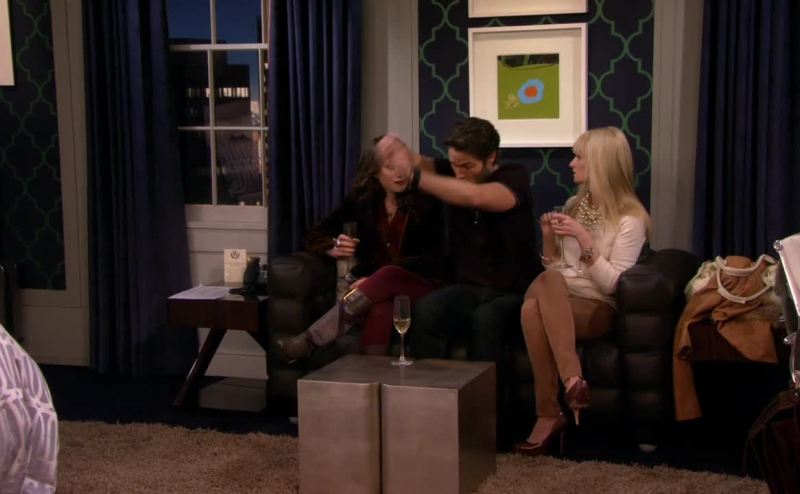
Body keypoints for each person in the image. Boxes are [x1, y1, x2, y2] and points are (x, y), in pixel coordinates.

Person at [513, 126, 650, 456]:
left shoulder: (630, 220)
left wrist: (583, 239)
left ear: (601, 163)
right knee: (540, 294)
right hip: (560, 295)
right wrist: (549, 238)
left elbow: (613, 285)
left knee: (531, 307)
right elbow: (554, 267)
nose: (571, 163)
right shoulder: (576, 204)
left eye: (578, 157)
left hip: (597, 305)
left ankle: (550, 413)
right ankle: (572, 384)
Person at [376, 117, 540, 365]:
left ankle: (487, 391)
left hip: (511, 291)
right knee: (428, 309)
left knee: (486, 319)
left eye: (468, 166)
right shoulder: (454, 170)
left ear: (491, 157)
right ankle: (430, 386)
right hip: (469, 288)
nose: (459, 173)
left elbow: (476, 196)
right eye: (454, 165)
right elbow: (421, 161)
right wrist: (398, 151)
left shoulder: (514, 177)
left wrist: (415, 177)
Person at [278, 140, 445, 359]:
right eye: (389, 168)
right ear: (375, 172)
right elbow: (314, 233)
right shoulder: (362, 202)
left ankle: (310, 340)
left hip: (422, 286)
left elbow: (435, 257)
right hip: (379, 294)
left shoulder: (427, 202)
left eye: (402, 166)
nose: (399, 174)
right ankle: (370, 374)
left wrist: (375, 279)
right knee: (381, 309)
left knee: (389, 274)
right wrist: (331, 246)